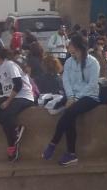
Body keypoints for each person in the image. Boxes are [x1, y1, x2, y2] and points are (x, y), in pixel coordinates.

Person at [43, 33, 101, 166]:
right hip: (72, 96)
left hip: (89, 96)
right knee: (69, 116)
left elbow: (92, 84)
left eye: (72, 48)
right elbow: (66, 80)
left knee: (69, 112)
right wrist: (70, 97)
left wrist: (76, 98)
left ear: (79, 48)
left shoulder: (93, 63)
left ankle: (53, 143)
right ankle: (71, 153)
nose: (70, 50)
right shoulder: (69, 61)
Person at [0, 46, 34, 162]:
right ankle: (15, 129)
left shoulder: (10, 65)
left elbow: (18, 84)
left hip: (23, 96)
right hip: (10, 95)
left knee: (7, 114)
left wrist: (8, 101)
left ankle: (12, 145)